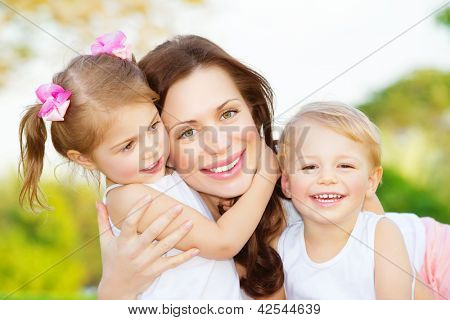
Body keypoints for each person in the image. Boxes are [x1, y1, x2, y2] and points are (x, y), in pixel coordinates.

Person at [97, 35, 385, 300]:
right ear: (162, 150)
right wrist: (113, 293)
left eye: (228, 113)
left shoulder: (324, 189)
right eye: (187, 132)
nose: (218, 144)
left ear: (254, 111)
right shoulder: (159, 223)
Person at [19, 31, 280, 299]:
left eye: (154, 127)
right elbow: (223, 243)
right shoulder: (130, 199)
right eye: (128, 145)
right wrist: (267, 175)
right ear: (83, 159)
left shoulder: (167, 179)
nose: (151, 150)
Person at [277, 101, 449, 299]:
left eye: (345, 166)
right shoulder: (283, 247)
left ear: (371, 181)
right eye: (309, 167)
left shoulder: (381, 234)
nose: (326, 178)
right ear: (287, 183)